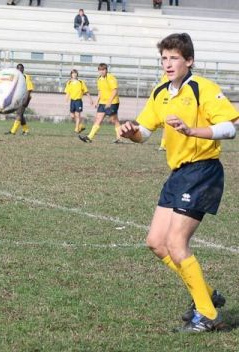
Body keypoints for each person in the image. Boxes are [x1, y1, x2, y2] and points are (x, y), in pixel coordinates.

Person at [119, 33, 239, 332]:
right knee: (157, 243)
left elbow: (231, 127)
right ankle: (206, 295)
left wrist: (191, 131)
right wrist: (130, 131)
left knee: (176, 242)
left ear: (189, 61)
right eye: (164, 58)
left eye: (174, 58)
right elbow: (144, 132)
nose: (168, 64)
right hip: (178, 174)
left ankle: (208, 315)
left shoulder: (202, 88)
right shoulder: (160, 91)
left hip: (203, 171)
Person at [79, 63, 122, 143]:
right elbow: (100, 91)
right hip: (102, 102)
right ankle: (89, 137)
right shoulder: (99, 79)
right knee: (98, 119)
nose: (102, 71)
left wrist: (109, 102)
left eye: (103, 70)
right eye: (100, 70)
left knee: (114, 120)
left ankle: (119, 138)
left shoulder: (110, 77)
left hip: (113, 102)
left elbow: (115, 90)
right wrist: (96, 101)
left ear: (106, 70)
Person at [5, 63, 34, 136]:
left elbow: (29, 89)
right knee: (21, 114)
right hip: (17, 98)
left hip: (24, 97)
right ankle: (26, 130)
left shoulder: (26, 77)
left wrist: (26, 98)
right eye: (18, 68)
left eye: (21, 68)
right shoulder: (16, 78)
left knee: (19, 114)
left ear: (23, 69)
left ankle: (13, 131)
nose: (20, 70)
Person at [64, 69, 94, 134]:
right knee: (72, 115)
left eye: (75, 73)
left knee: (78, 115)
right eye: (73, 73)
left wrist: (90, 99)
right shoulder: (69, 82)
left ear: (77, 74)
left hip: (78, 101)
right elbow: (67, 92)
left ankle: (77, 129)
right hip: (72, 101)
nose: (74, 74)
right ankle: (81, 126)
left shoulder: (80, 82)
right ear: (71, 75)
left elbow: (86, 91)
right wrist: (66, 100)